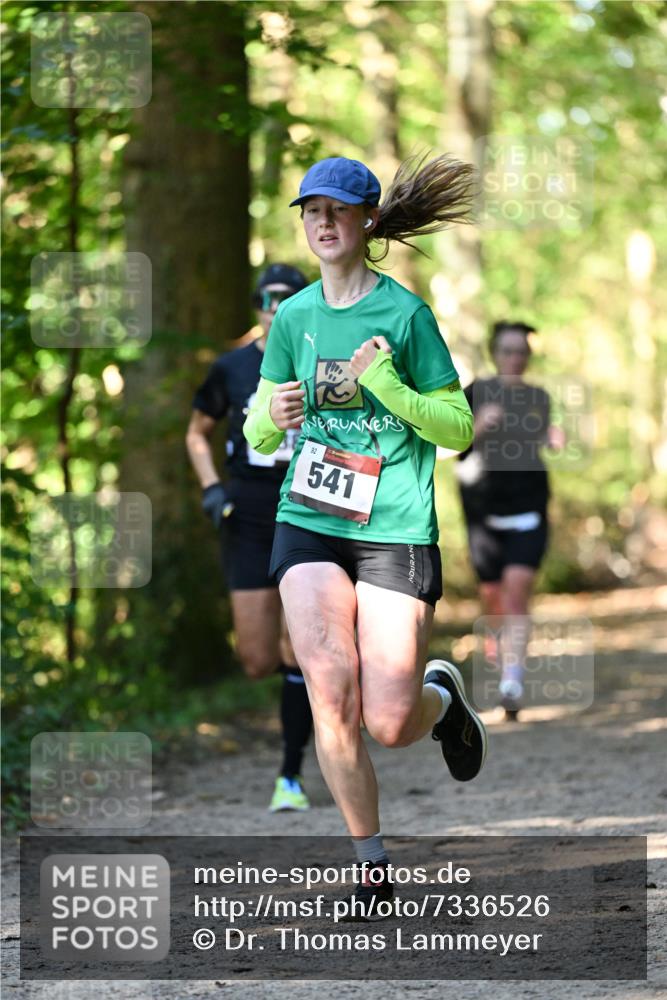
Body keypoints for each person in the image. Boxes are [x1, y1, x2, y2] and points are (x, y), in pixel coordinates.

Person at [243, 155, 488, 919]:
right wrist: (269, 418)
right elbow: (259, 420)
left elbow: (458, 429)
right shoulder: (293, 317)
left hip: (394, 527)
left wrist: (386, 385)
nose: (322, 222)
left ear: (367, 222)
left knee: (387, 721)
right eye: (310, 210)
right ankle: (371, 868)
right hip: (309, 518)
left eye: (338, 210)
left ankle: (440, 701)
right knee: (328, 691)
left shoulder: (405, 316)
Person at [186, 264, 314, 812]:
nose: (277, 308)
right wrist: (212, 488)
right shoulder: (232, 368)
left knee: (296, 650)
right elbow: (196, 433)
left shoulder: (320, 364)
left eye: (289, 299)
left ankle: (291, 773)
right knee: (259, 658)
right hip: (249, 509)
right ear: (257, 305)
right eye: (268, 299)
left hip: (308, 504)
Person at [456, 320, 565, 720]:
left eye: (522, 351)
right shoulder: (474, 393)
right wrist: (477, 429)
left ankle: (511, 682)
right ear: (494, 353)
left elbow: (539, 442)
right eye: (508, 350)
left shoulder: (539, 397)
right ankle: (498, 653)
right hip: (483, 513)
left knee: (517, 591)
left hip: (529, 507)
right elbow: (453, 450)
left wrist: (552, 438)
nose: (515, 358)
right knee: (493, 597)